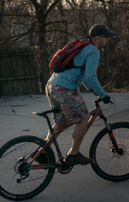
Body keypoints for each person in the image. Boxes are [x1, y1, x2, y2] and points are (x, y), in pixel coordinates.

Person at [45, 24, 115, 166]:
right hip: (65, 89)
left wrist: (94, 90)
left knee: (61, 123)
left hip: (52, 85)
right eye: (106, 36)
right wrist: (103, 95)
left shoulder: (82, 46)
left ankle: (42, 151)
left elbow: (80, 75)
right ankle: (74, 154)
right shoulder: (93, 51)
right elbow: (90, 77)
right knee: (83, 119)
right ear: (97, 38)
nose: (108, 39)